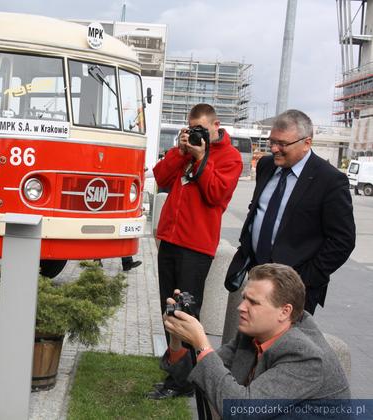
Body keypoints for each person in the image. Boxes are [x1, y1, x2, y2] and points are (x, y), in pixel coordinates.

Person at [156, 264, 350, 416]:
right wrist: (177, 337)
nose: (241, 307)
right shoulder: (253, 333)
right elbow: (194, 378)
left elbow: (240, 410)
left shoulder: (305, 356)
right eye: (244, 298)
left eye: (253, 302)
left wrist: (201, 343)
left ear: (285, 311)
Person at [150, 103, 242, 398]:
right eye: (192, 129)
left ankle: (185, 382)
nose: (197, 134)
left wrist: (202, 157)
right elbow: (161, 178)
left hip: (196, 245)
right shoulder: (185, 150)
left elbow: (216, 193)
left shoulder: (230, 157)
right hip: (171, 240)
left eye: (201, 129)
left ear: (216, 125)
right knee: (169, 309)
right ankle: (178, 375)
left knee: (186, 312)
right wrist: (180, 151)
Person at [226, 109, 356, 314]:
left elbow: (342, 241)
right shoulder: (266, 165)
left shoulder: (329, 180)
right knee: (247, 341)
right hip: (257, 277)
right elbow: (257, 210)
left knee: (282, 346)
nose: (275, 149)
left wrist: (302, 280)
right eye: (272, 142)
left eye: (283, 144)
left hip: (294, 290)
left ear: (307, 143)